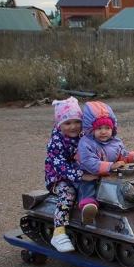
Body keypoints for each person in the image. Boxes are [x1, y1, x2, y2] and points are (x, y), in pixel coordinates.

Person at [77, 101, 134, 225]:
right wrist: (110, 166)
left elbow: (121, 155)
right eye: (99, 128)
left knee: (127, 182)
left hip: (109, 173)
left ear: (113, 129)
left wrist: (131, 156)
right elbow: (88, 162)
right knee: (88, 186)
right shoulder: (85, 143)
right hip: (89, 173)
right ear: (91, 130)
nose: (103, 132)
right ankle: (88, 207)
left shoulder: (115, 142)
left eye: (107, 128)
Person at [44, 97, 84, 252]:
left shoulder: (83, 135)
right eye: (67, 123)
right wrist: (80, 175)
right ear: (60, 124)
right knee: (67, 194)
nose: (73, 127)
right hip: (59, 176)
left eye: (77, 121)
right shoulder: (56, 141)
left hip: (80, 170)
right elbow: (60, 165)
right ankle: (58, 232)